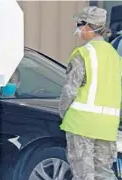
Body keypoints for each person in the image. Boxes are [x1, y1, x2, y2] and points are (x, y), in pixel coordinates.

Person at [59, 6, 121, 180]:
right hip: (107, 127)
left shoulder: (83, 54)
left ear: (88, 26)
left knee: (83, 175)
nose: (78, 30)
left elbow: (70, 90)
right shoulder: (115, 56)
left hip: (81, 125)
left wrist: (63, 114)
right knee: (104, 174)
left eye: (80, 25)